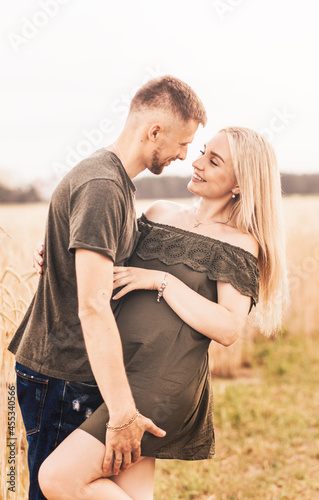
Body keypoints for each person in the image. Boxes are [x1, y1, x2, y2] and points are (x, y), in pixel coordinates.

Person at [36, 127, 289, 500]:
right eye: (202, 151)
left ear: (240, 184)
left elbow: (228, 327)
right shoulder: (159, 213)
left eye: (213, 161)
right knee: (131, 492)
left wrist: (162, 280)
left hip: (162, 381)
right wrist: (62, 256)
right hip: (121, 372)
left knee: (58, 478)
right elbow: (108, 264)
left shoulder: (239, 243)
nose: (196, 162)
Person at [8, 75, 207, 500]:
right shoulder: (103, 187)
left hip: (74, 372)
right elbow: (93, 308)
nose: (184, 155)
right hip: (61, 374)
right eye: (183, 142)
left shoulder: (112, 182)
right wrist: (121, 413)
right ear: (154, 131)